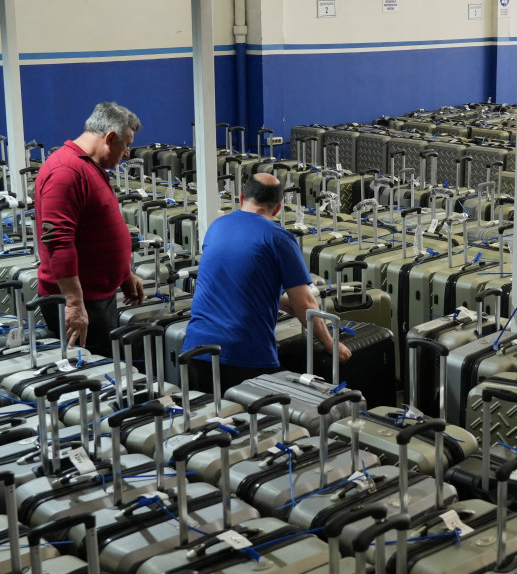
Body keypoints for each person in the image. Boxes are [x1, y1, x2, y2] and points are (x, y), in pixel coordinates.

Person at [181, 172, 350, 391]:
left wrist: (281, 302)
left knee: (209, 422)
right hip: (244, 356)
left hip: (196, 350)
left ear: (241, 198)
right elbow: (306, 305)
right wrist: (331, 343)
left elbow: (237, 284)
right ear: (278, 209)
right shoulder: (279, 239)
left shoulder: (216, 227)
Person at [34, 101, 146, 350]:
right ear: (110, 137)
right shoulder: (66, 171)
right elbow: (58, 240)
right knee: (94, 374)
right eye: (127, 145)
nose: (128, 153)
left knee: (106, 369)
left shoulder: (89, 167)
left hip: (95, 296)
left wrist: (123, 274)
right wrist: (74, 303)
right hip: (79, 300)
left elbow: (93, 228)